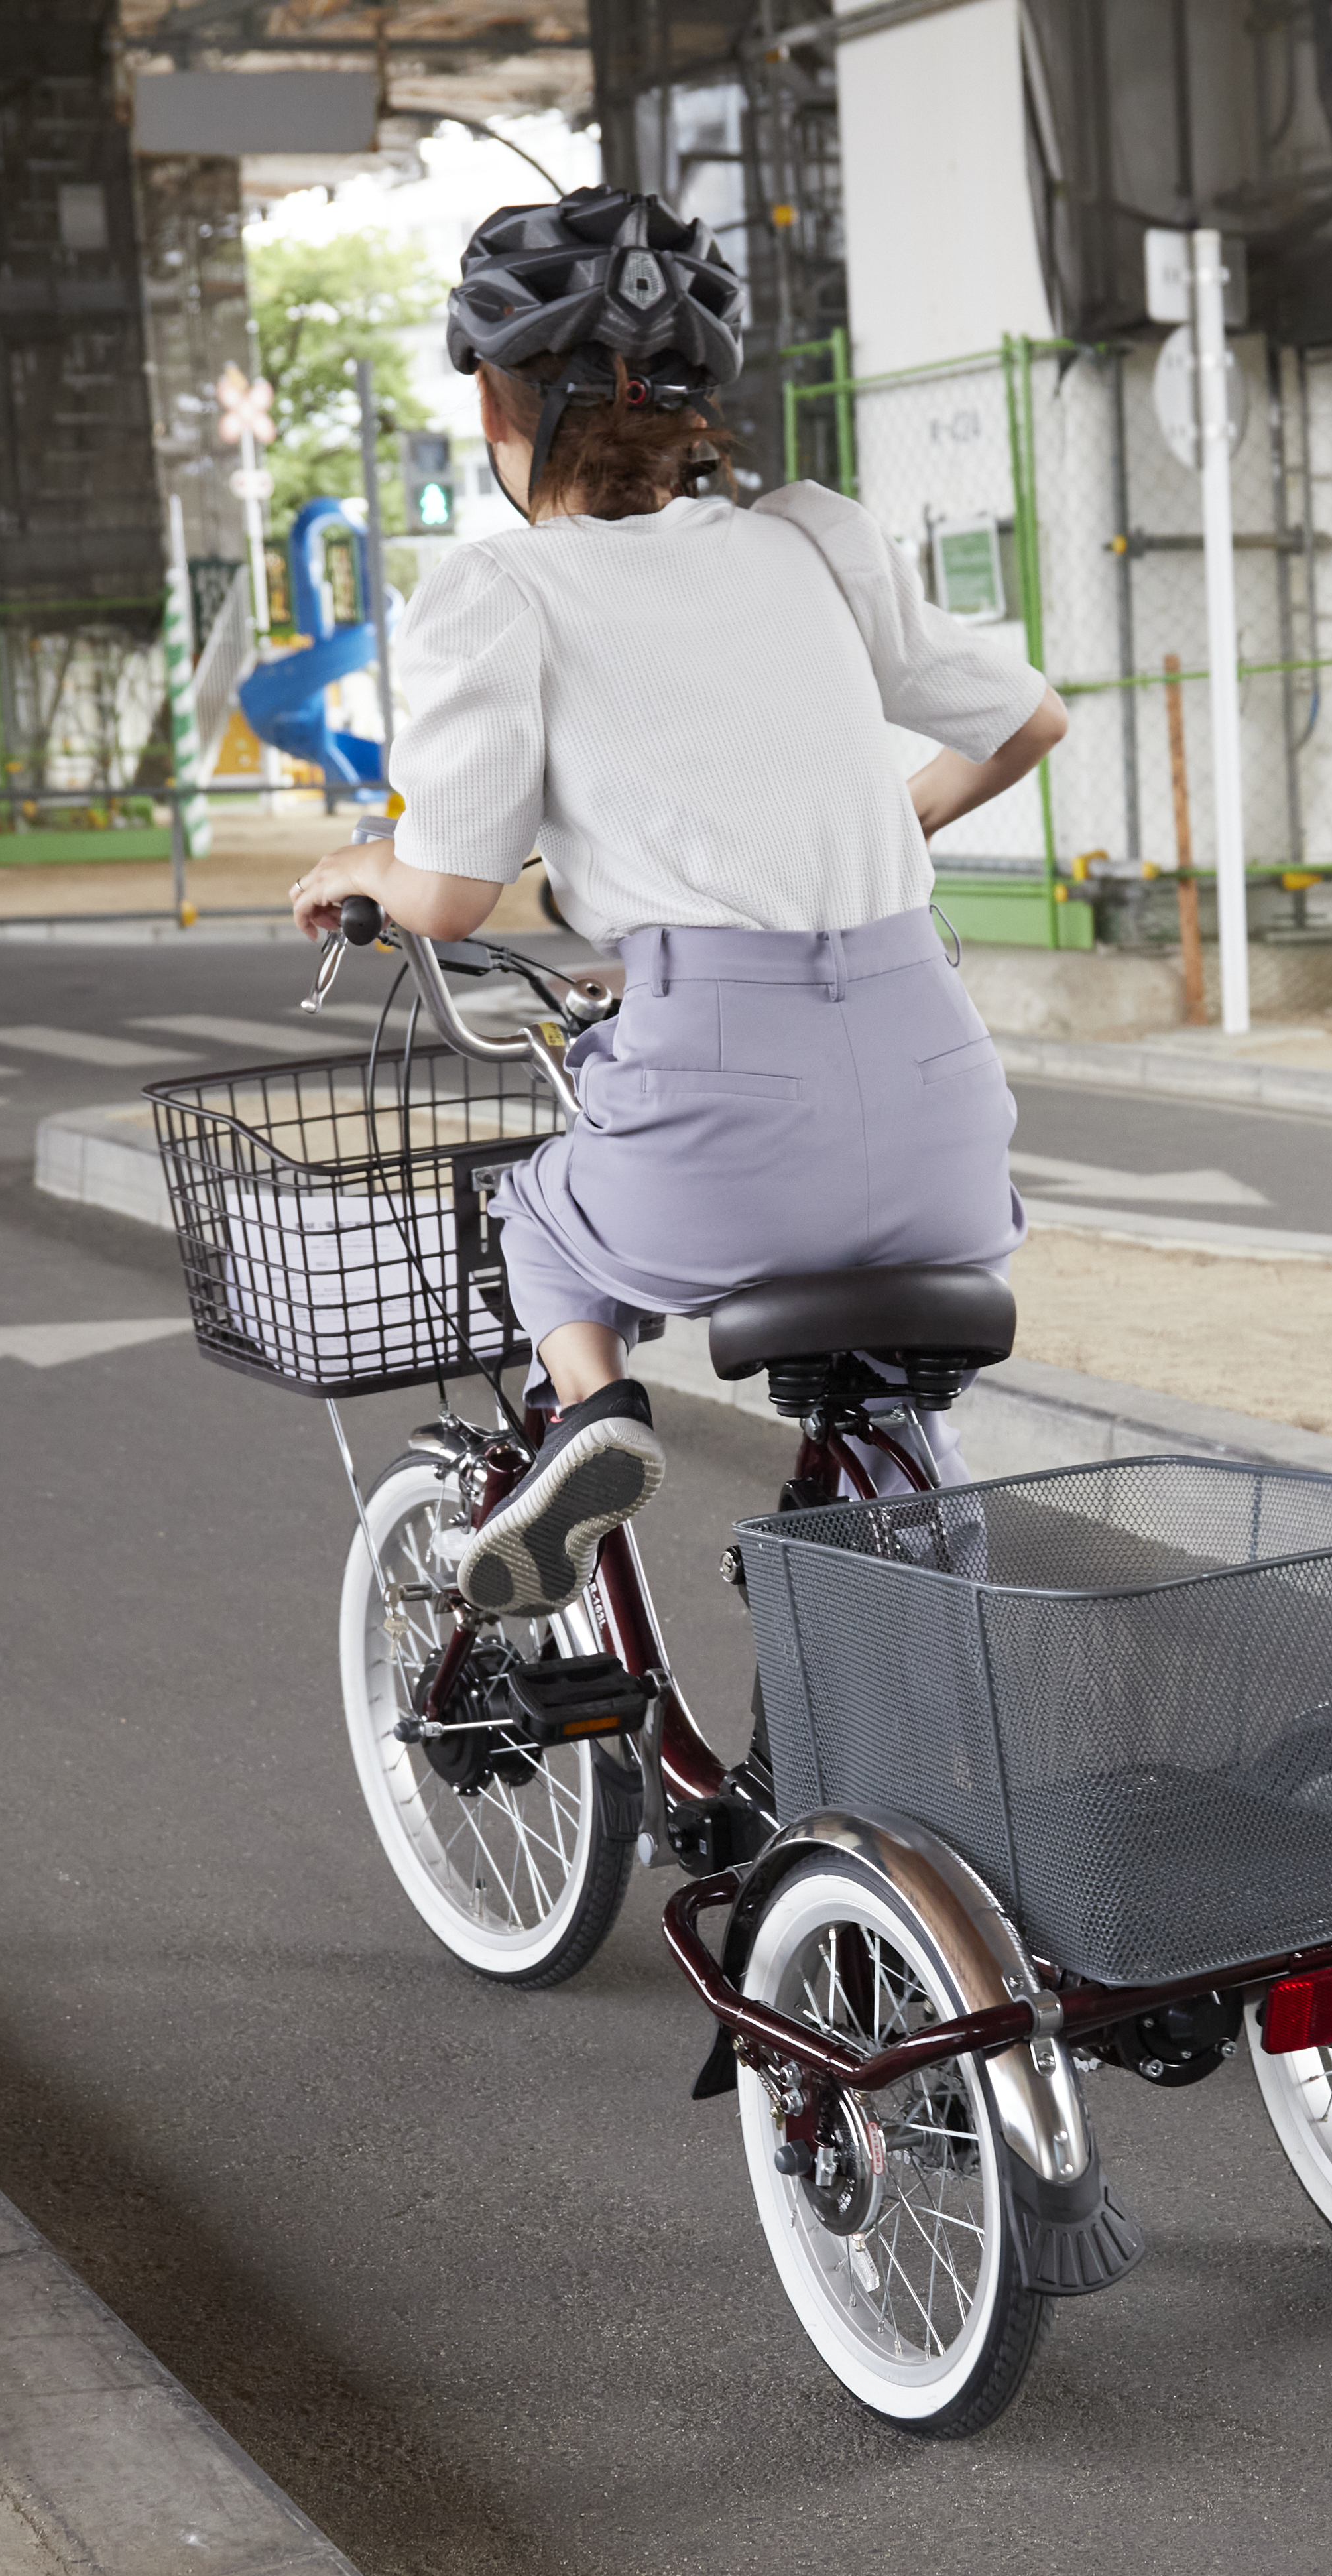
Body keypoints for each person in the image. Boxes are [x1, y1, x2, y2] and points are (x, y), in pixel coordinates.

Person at [288, 189, 1063, 1619]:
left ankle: (592, 1423)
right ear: (699, 407)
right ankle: (877, 1658)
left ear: (494, 408)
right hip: (942, 1099)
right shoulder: (812, 541)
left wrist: (359, 870)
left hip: (725, 1110)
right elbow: (1027, 720)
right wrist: (890, 823)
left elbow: (451, 894)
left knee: (539, 1221)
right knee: (875, 1375)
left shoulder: (502, 590)